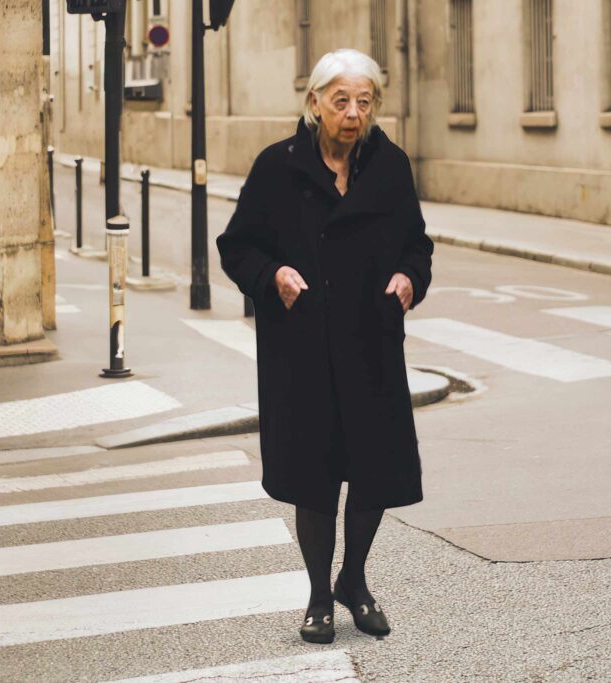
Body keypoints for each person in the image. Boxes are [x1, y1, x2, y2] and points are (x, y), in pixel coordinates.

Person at [216, 48, 433, 644]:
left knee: (375, 473)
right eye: (342, 101)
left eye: (365, 102)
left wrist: (409, 279)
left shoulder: (390, 167)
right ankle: (318, 596)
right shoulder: (277, 167)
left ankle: (354, 580)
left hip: (371, 344)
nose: (354, 113)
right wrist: (273, 277)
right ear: (314, 103)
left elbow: (418, 243)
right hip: (303, 351)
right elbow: (237, 247)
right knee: (314, 478)